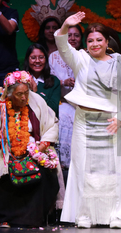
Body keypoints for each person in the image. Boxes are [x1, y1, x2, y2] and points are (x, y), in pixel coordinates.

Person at [55, 12, 121, 229]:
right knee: (83, 168)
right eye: (90, 40)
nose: (94, 44)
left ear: (107, 41)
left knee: (116, 169)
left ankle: (116, 215)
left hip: (112, 122)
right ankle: (84, 215)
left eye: (99, 39)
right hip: (84, 121)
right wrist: (65, 25)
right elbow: (62, 45)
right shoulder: (80, 59)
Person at [0, 70, 60, 228]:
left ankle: (34, 219)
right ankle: (6, 218)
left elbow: (52, 124)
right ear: (9, 94)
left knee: (45, 174)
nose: (24, 97)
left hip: (35, 147)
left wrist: (43, 144)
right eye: (19, 94)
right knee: (3, 174)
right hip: (6, 150)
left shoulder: (36, 101)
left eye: (26, 92)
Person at [49, 24, 83, 169]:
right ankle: (64, 162)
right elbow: (49, 81)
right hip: (63, 102)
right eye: (69, 35)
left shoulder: (85, 55)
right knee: (63, 116)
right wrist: (63, 82)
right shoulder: (53, 56)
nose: (73, 38)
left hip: (83, 103)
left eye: (76, 35)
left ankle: (81, 163)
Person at [24, 43, 61, 117]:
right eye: (33, 58)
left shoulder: (54, 81)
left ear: (46, 60)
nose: (37, 61)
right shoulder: (20, 79)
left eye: (41, 57)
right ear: (28, 60)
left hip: (47, 124)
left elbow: (53, 109)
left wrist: (36, 92)